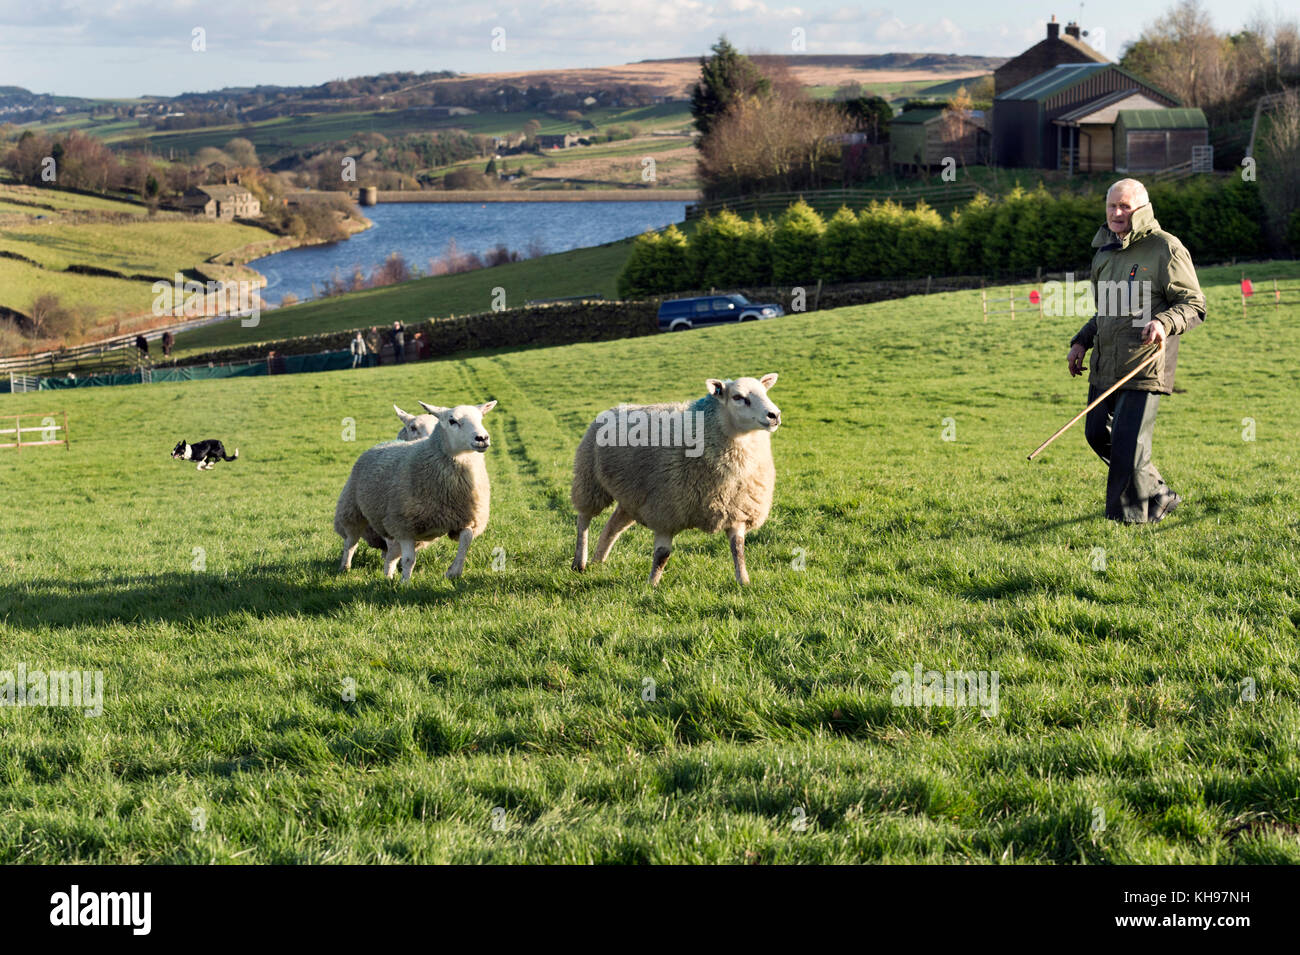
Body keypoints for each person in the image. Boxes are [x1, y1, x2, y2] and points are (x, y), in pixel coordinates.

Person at [1067, 178, 1205, 524]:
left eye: (1124, 206)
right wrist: (1082, 340)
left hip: (1144, 365)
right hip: (1105, 364)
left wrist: (1164, 323)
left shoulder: (1166, 249)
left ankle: (1125, 522)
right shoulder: (1104, 253)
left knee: (1129, 447)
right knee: (1096, 434)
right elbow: (1106, 310)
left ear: (1142, 209)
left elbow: (1194, 304)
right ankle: (1159, 494)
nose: (1116, 212)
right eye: (1111, 205)